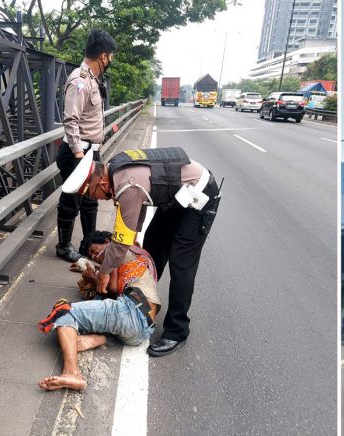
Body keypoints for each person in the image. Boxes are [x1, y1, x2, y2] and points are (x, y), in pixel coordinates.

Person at [62, 147, 221, 357]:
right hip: (178, 196)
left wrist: (104, 273)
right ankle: (145, 300)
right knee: (154, 243)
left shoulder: (126, 186)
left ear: (101, 183)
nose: (99, 199)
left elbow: (119, 242)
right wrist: (133, 236)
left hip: (199, 195)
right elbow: (142, 202)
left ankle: (177, 330)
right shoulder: (116, 168)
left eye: (95, 195)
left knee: (181, 263)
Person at [37, 231, 159, 391]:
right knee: (95, 305)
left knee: (63, 310)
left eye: (95, 250)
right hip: (142, 330)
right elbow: (115, 284)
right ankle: (99, 339)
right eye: (91, 255)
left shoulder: (116, 249)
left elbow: (111, 289)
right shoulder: (131, 250)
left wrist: (91, 278)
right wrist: (93, 270)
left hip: (131, 311)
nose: (95, 256)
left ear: (108, 241)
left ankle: (72, 373)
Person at [55, 29, 117, 263]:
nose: (110, 61)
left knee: (91, 201)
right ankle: (63, 247)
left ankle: (89, 244)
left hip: (91, 152)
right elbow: (71, 119)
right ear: (103, 56)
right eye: (110, 57)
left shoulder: (93, 79)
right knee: (71, 201)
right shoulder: (80, 80)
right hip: (77, 152)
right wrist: (79, 154)